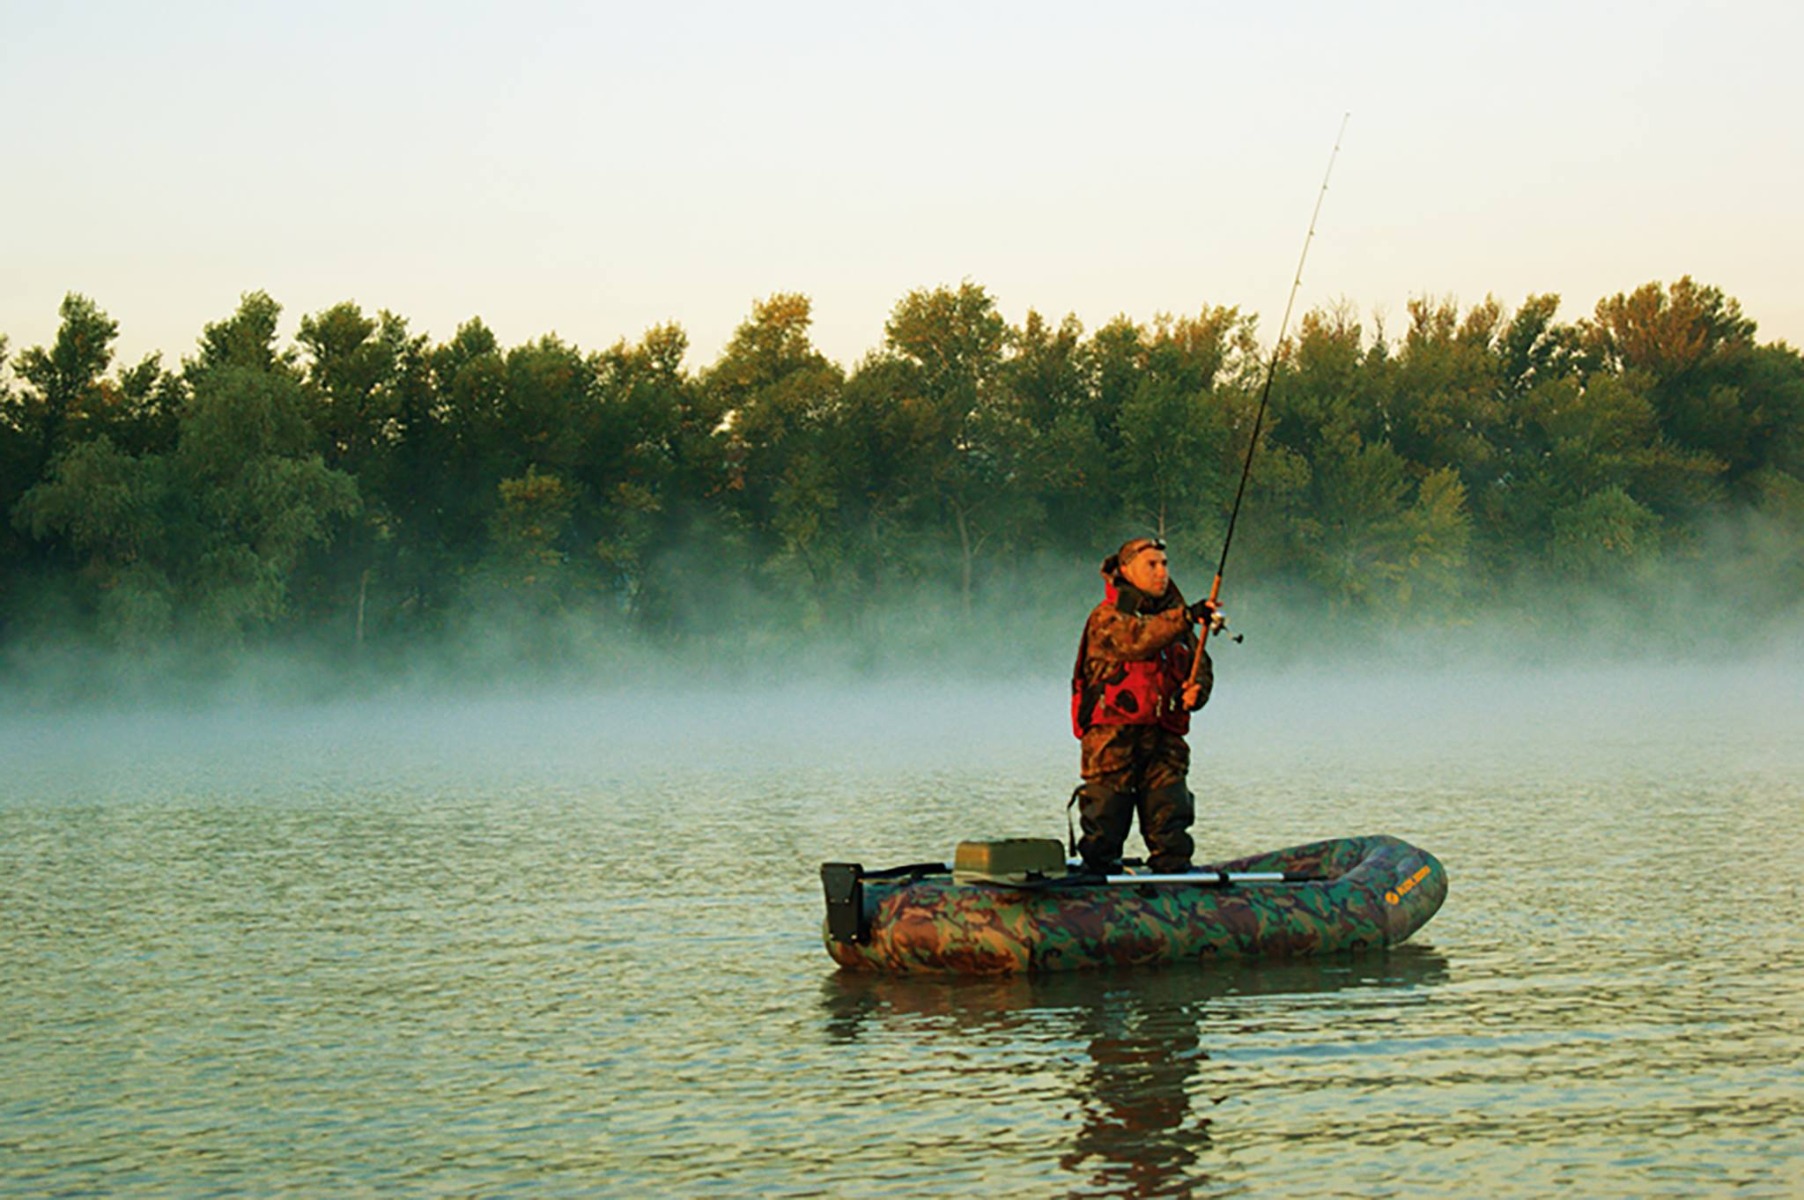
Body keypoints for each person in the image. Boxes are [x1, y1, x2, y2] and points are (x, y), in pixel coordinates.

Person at [1069, 537, 1219, 875]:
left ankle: (1174, 881)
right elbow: (1137, 638)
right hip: (1112, 739)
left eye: (1164, 564)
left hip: (1163, 738)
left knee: (1171, 819)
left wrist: (1197, 691)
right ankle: (1097, 881)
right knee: (1105, 820)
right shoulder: (1106, 617)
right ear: (1126, 570)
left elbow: (1200, 664)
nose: (1161, 572)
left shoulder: (1177, 622)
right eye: (1151, 565)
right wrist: (1186, 616)